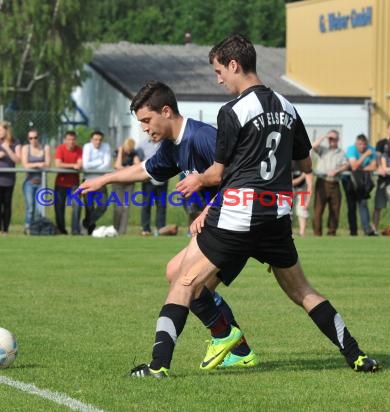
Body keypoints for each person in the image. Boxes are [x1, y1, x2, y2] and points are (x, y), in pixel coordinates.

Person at [128, 34, 379, 378]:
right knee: (302, 291)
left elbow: (218, 172)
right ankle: (357, 356)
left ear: (234, 65)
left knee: (184, 281)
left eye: (219, 71)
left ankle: (158, 366)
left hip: (237, 212)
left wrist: (199, 180)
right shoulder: (288, 107)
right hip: (276, 215)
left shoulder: (232, 111)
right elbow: (306, 167)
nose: (219, 79)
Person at [79, 80, 257, 369]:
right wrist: (103, 179)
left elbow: (240, 175)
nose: (145, 128)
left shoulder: (202, 137)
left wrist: (209, 210)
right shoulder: (173, 147)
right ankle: (236, 347)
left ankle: (194, 351)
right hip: (219, 225)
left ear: (166, 111)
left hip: (236, 224)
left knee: (183, 279)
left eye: (147, 120)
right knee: (182, 278)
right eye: (140, 123)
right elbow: (143, 169)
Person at [311, 130, 349, 236]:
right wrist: (325, 135)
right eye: (330, 139)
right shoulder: (323, 150)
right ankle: (317, 233)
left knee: (335, 210)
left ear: (338, 140)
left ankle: (331, 232)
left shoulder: (341, 153)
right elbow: (313, 145)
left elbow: (346, 165)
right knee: (318, 210)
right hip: (322, 182)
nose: (332, 141)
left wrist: (336, 170)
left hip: (334, 183)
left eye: (334, 139)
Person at [0, 121, 21, 236]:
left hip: (9, 179)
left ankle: (6, 229)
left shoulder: (15, 142)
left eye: (0, 130)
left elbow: (17, 160)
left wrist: (7, 149)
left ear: (7, 130)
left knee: (7, 204)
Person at [343, 134, 378, 236]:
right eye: (360, 144)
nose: (362, 146)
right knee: (351, 205)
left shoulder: (371, 149)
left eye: (364, 144)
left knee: (363, 204)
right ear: (356, 143)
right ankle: (353, 231)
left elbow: (374, 166)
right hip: (349, 180)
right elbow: (354, 166)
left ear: (367, 144)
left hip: (362, 181)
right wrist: (365, 155)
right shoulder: (351, 149)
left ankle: (367, 229)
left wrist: (360, 168)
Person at [21, 129, 51, 235]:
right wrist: (38, 165)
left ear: (39, 137)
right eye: (30, 138)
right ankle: (28, 228)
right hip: (29, 182)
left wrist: (34, 165)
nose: (33, 140)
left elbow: (47, 164)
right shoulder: (25, 148)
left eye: (35, 137)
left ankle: (39, 228)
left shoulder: (45, 148)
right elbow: (25, 165)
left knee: (40, 208)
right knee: (30, 208)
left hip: (41, 183)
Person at [82, 131, 112, 235]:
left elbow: (107, 165)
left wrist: (94, 166)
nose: (98, 142)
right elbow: (85, 166)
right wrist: (100, 162)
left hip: (101, 181)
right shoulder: (87, 147)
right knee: (89, 208)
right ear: (91, 140)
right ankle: (89, 231)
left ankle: (86, 223)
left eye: (100, 140)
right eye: (95, 139)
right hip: (88, 180)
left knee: (103, 206)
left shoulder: (106, 147)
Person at [54, 130, 82, 235]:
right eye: (69, 139)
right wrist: (72, 166)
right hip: (61, 183)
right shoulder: (60, 148)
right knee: (59, 208)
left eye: (73, 139)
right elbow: (58, 164)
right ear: (65, 140)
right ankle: (62, 230)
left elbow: (80, 164)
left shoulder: (79, 150)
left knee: (77, 206)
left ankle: (75, 230)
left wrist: (76, 165)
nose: (71, 141)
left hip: (74, 184)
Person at [137, 138, 167, 236]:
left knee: (161, 205)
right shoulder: (142, 145)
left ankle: (160, 229)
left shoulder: (166, 143)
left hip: (163, 179)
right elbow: (139, 162)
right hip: (148, 180)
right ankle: (145, 229)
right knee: (146, 205)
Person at [112, 138, 141, 234]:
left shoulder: (133, 153)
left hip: (129, 183)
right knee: (118, 207)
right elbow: (117, 166)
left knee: (126, 207)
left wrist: (128, 169)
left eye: (131, 149)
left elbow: (138, 165)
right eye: (128, 149)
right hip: (118, 183)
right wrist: (120, 152)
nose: (129, 151)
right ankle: (115, 228)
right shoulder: (117, 152)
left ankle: (122, 231)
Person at [291, 160, 312, 236]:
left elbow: (310, 184)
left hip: (303, 188)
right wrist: (302, 176)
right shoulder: (288, 163)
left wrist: (308, 200)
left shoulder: (305, 164)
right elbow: (291, 182)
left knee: (302, 210)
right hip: (289, 188)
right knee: (288, 211)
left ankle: (302, 233)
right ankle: (289, 233)